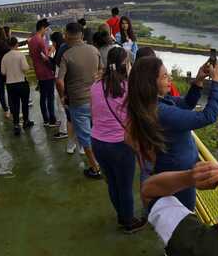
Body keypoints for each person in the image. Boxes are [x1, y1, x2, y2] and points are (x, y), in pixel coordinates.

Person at [127, 56, 218, 210]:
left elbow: (186, 104)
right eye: (165, 76)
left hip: (174, 169)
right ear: (151, 83)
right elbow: (208, 116)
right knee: (183, 216)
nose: (169, 79)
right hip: (178, 175)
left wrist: (199, 80)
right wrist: (216, 82)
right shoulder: (161, 112)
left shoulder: (153, 102)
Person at [91, 47, 147, 233]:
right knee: (124, 186)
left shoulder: (95, 87)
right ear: (126, 65)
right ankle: (129, 221)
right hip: (120, 145)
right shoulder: (128, 88)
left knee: (113, 183)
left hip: (97, 143)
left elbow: (94, 113)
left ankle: (121, 216)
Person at [56, 22, 103, 179]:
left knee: (85, 136)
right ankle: (102, 161)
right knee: (97, 131)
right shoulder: (94, 50)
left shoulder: (67, 55)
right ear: (82, 35)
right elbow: (102, 70)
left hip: (78, 101)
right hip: (96, 100)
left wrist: (63, 97)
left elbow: (59, 81)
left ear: (67, 36)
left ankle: (95, 168)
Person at [28, 19, 59, 128]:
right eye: (46, 28)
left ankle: (46, 119)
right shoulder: (40, 40)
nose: (47, 31)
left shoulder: (31, 41)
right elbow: (46, 58)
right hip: (46, 73)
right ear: (42, 27)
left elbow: (36, 55)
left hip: (38, 72)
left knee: (43, 97)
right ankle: (52, 120)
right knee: (50, 97)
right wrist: (52, 50)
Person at [2, 37, 34, 136]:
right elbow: (25, 68)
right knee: (24, 103)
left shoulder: (5, 57)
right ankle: (25, 121)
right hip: (21, 82)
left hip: (10, 84)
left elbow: (3, 72)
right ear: (16, 44)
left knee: (15, 105)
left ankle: (16, 125)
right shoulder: (20, 55)